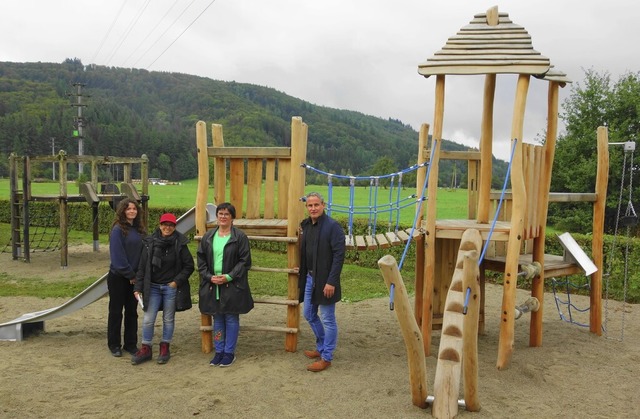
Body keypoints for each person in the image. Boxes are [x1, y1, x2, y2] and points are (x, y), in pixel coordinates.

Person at [131, 213, 194, 365]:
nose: (167, 227)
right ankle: (146, 348)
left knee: (168, 318)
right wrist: (137, 288)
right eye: (164, 224)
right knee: (148, 319)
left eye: (171, 225)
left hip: (169, 287)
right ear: (159, 225)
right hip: (152, 286)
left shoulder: (180, 243)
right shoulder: (150, 242)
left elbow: (189, 266)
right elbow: (142, 267)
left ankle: (165, 346)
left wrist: (176, 282)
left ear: (175, 227)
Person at [198, 202, 253, 367]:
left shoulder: (239, 237)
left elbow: (245, 261)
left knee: (230, 317)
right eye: (220, 214)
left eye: (226, 214)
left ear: (232, 218)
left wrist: (229, 276)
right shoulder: (208, 237)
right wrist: (209, 276)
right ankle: (219, 351)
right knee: (218, 318)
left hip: (231, 285)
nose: (223, 217)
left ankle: (229, 352)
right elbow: (201, 260)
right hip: (213, 284)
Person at [298, 192, 345, 372]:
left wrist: (331, 281)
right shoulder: (307, 226)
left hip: (326, 280)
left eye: (316, 205)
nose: (313, 208)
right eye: (310, 205)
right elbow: (306, 252)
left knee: (327, 319)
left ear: (323, 205)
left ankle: (326, 357)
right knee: (309, 313)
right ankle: (321, 346)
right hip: (310, 277)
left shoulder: (333, 227)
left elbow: (339, 256)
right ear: (307, 207)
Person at [107, 198, 145, 358]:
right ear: (122, 211)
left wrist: (138, 276)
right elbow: (118, 257)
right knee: (116, 311)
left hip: (134, 278)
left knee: (132, 312)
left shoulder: (139, 230)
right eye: (128, 209)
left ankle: (130, 343)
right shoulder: (118, 230)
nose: (132, 211)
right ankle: (114, 344)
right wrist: (130, 275)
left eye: (134, 209)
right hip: (119, 277)